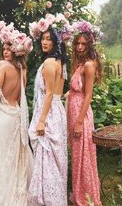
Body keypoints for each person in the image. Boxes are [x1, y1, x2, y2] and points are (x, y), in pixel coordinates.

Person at [0, 21, 33, 206]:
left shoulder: (3, 66)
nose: (5, 52)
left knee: (1, 157)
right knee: (13, 156)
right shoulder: (23, 69)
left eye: (8, 48)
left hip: (1, 115)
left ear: (15, 50)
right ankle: (16, 191)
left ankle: (3, 195)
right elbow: (20, 95)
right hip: (15, 114)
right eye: (4, 49)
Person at [28, 16, 68, 206]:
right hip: (55, 110)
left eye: (49, 39)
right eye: (43, 38)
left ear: (56, 42)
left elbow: (50, 93)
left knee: (48, 158)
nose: (44, 42)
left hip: (49, 112)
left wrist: (42, 121)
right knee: (53, 158)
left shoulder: (51, 63)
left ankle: (49, 199)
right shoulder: (59, 61)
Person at [67, 20, 102, 206]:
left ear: (89, 46)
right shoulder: (79, 64)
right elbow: (77, 89)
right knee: (77, 156)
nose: (80, 47)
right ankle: (79, 191)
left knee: (84, 157)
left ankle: (87, 197)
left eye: (83, 44)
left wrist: (79, 121)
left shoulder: (89, 65)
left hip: (81, 114)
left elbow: (88, 95)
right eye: (77, 43)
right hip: (73, 111)